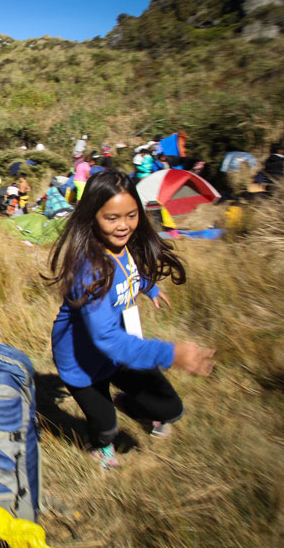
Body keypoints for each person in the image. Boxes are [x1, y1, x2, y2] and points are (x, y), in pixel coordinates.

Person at [46, 171, 215, 470]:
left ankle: (130, 404)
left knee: (171, 407)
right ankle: (100, 446)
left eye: (131, 215)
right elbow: (106, 339)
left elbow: (130, 273)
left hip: (118, 351)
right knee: (106, 425)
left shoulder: (124, 246)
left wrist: (149, 288)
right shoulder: (90, 270)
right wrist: (172, 353)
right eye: (112, 218)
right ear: (92, 217)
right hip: (82, 362)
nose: (124, 225)